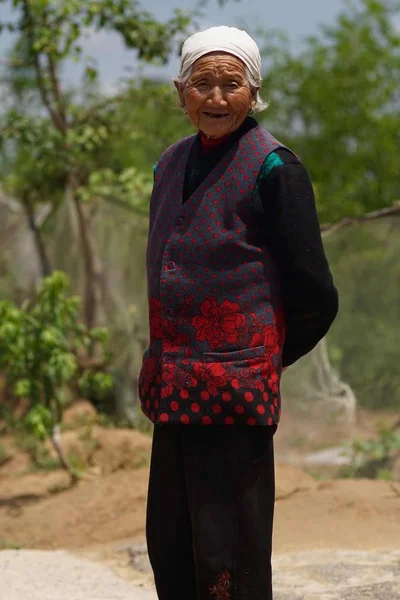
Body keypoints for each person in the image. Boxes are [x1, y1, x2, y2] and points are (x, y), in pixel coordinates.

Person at [138, 25, 338, 600]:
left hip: (235, 396)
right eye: (203, 84)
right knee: (171, 543)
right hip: (173, 388)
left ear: (255, 93)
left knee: (229, 554)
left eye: (232, 84)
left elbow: (316, 296)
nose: (217, 98)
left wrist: (259, 358)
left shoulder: (276, 168)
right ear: (181, 93)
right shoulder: (169, 165)